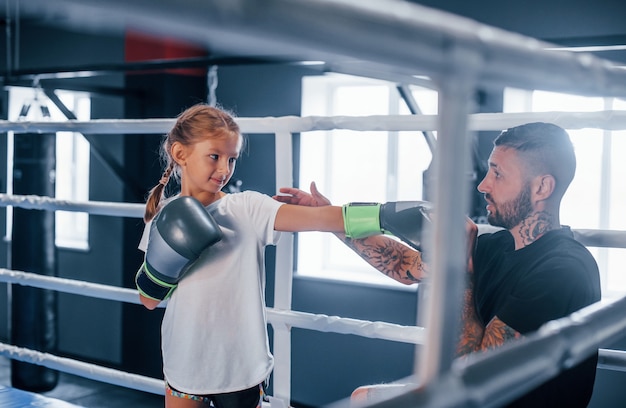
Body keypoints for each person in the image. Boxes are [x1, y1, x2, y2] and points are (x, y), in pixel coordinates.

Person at [276, 122, 601, 407]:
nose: (483, 185)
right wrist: (326, 216)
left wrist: (459, 275)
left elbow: (472, 376)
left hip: (491, 400)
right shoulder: (496, 245)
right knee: (364, 398)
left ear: (542, 187)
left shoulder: (561, 271)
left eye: (498, 174)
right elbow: (404, 264)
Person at [136, 103, 349, 408]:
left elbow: (322, 219)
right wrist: (167, 261)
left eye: (232, 159)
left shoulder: (246, 208)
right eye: (215, 156)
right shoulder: (164, 215)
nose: (225, 169)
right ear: (180, 154)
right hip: (184, 358)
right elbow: (149, 299)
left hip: (240, 366)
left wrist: (383, 217)